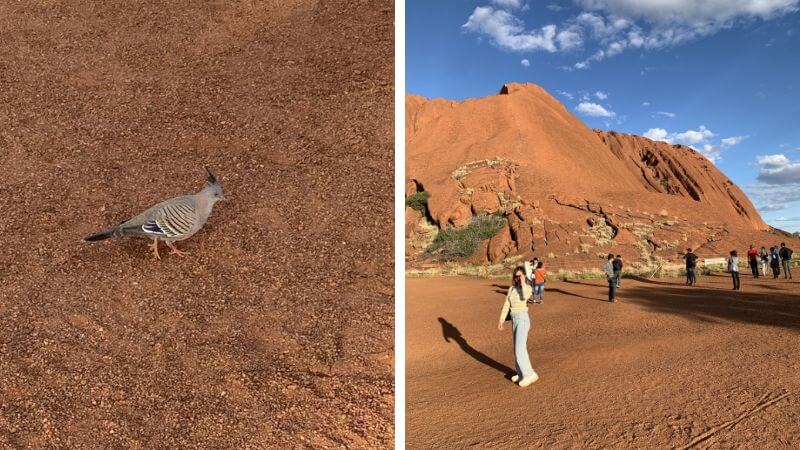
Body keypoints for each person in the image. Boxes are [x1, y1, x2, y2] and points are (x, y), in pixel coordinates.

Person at [497, 266, 538, 387]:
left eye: (520, 275)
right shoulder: (511, 289)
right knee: (517, 348)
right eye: (516, 276)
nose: (518, 278)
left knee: (520, 348)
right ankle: (520, 373)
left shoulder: (528, 288)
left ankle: (529, 374)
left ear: (524, 276)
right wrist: (501, 320)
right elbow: (506, 305)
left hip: (523, 319)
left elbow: (525, 296)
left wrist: (523, 283)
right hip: (514, 319)